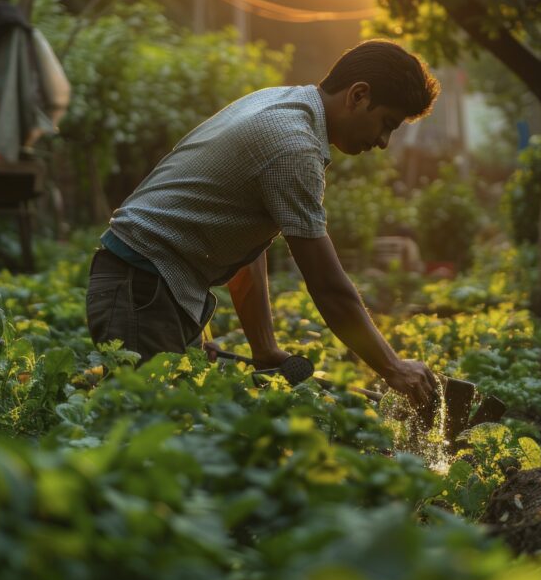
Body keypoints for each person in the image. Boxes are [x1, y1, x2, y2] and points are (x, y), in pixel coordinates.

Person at [86, 39, 440, 409]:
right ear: (358, 95)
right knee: (150, 436)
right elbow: (328, 287)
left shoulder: (282, 103)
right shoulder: (294, 148)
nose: (384, 142)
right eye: (387, 124)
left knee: (176, 429)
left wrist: (264, 347)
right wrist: (393, 367)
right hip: (141, 290)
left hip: (144, 287)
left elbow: (243, 242)